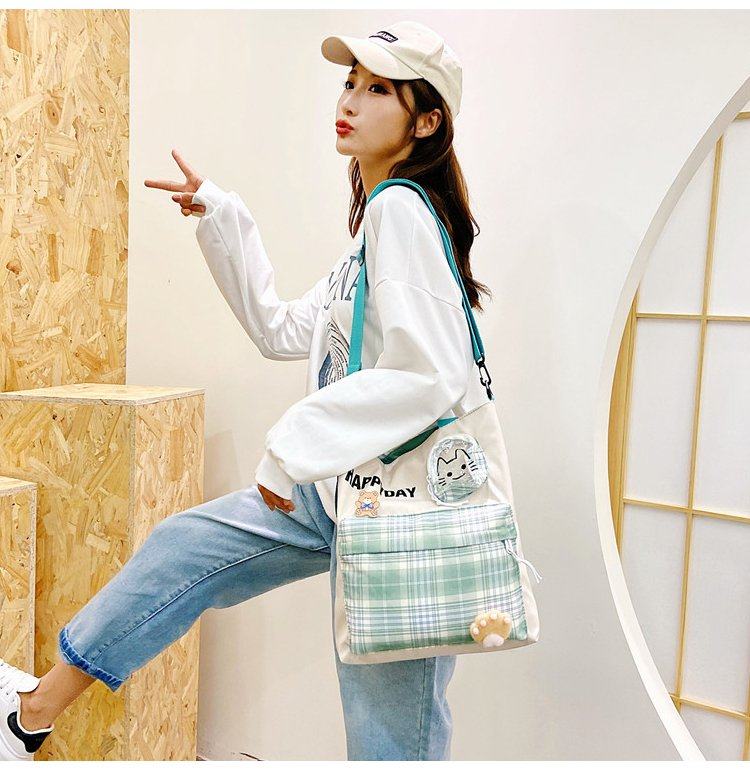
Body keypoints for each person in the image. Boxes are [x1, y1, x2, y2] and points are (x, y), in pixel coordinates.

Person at [0, 20, 491, 761]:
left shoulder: (403, 212)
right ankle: (29, 717)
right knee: (182, 549)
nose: (349, 100)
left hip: (402, 512)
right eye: (350, 82)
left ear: (426, 122)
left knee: (391, 735)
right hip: (341, 492)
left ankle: (29, 716)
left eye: (378, 89)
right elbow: (283, 329)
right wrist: (222, 216)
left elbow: (431, 373)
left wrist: (291, 446)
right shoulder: (375, 226)